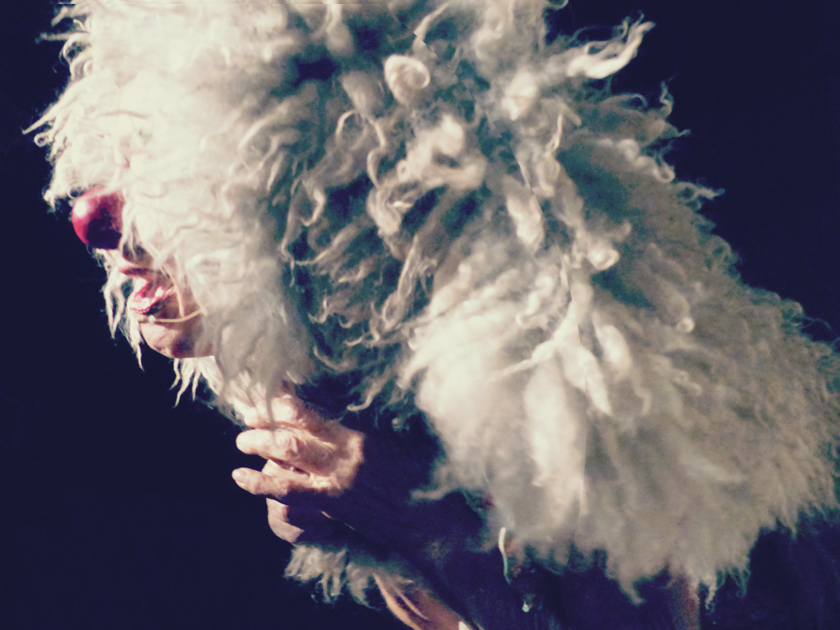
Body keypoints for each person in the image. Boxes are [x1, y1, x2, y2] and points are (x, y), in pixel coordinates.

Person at [32, 1, 840, 628]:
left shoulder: (598, 448)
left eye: (166, 172)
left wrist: (433, 532)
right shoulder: (371, 430)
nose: (95, 220)